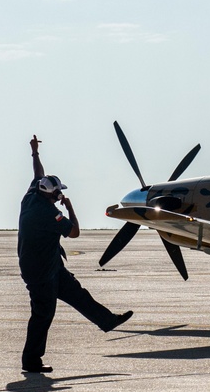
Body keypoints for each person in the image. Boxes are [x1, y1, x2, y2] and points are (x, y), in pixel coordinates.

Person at [18, 135, 133, 373]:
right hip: (40, 272)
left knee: (78, 294)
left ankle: (108, 320)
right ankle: (31, 361)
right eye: (57, 193)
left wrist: (35, 152)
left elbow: (38, 172)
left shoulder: (31, 195)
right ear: (50, 195)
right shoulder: (49, 214)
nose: (59, 195)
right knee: (43, 314)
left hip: (51, 266)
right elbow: (74, 232)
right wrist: (70, 208)